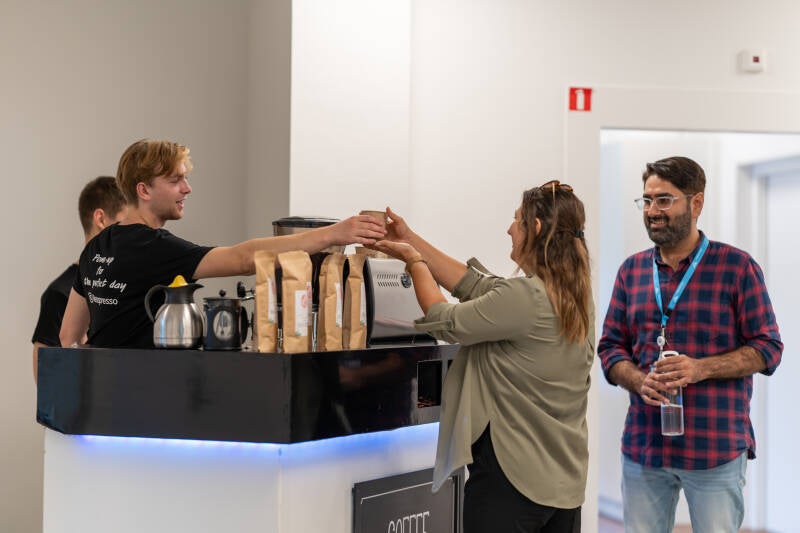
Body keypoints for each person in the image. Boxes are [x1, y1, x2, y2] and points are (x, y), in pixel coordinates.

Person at [370, 181, 594, 533]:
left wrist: (413, 262)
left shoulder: (525, 297)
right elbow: (474, 284)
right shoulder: (574, 295)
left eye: (517, 220)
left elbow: (443, 319)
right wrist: (409, 238)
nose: (509, 229)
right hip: (563, 485)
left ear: (536, 228)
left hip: (512, 481)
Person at [597, 156, 783, 533]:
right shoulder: (631, 271)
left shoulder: (736, 267)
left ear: (696, 203)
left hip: (714, 448)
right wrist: (638, 380)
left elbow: (768, 347)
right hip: (645, 447)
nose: (652, 211)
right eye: (647, 200)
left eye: (664, 200)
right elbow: (610, 348)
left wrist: (700, 368)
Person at [60, 139, 385, 349]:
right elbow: (244, 259)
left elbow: (69, 336)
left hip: (107, 402)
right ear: (143, 190)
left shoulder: (96, 247)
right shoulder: (154, 248)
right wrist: (333, 234)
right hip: (146, 399)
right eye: (175, 180)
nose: (187, 188)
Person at [31, 176, 128, 382]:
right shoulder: (60, 293)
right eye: (126, 223)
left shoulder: (128, 287)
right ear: (101, 219)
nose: (134, 233)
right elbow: (46, 384)